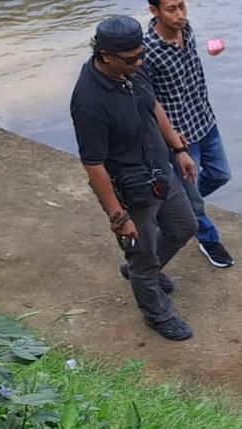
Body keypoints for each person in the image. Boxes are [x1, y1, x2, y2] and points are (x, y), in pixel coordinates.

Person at [70, 15, 198, 341]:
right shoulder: (89, 101)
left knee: (184, 226)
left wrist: (178, 148)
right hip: (130, 189)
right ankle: (156, 313)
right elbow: (94, 163)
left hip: (159, 168)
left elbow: (153, 106)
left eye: (141, 55)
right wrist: (118, 216)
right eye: (131, 59)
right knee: (141, 254)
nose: (140, 63)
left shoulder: (133, 70)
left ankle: (142, 273)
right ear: (105, 56)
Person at [144, 0, 234, 268]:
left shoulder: (187, 30)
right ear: (154, 11)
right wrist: (173, 142)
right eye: (172, 9)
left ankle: (178, 206)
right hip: (179, 137)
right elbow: (149, 102)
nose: (180, 15)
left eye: (182, 6)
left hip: (205, 122)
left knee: (221, 174)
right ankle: (208, 239)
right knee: (193, 201)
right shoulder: (148, 50)